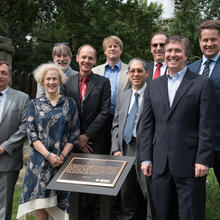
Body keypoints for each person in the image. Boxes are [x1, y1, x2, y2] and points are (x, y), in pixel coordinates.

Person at [139, 35, 216, 220]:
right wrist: (146, 158)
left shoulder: (202, 83)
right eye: (169, 51)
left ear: (186, 55)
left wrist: (203, 160)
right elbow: (147, 125)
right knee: (161, 214)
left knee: (190, 214)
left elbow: (207, 125)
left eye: (177, 51)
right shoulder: (153, 85)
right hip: (159, 164)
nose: (172, 55)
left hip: (190, 164)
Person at [17, 63, 80, 220]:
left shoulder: (70, 103)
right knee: (41, 206)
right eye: (48, 79)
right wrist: (48, 155)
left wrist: (62, 156)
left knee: (60, 206)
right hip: (40, 162)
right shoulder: (34, 104)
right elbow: (31, 134)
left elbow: (75, 132)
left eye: (55, 79)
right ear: (42, 81)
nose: (51, 82)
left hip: (63, 162)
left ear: (60, 81)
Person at [60, 44, 111, 220]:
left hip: (95, 141)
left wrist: (86, 136)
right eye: (84, 57)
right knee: (73, 183)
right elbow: (64, 111)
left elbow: (105, 111)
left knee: (92, 186)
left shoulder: (103, 82)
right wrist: (76, 138)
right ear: (77, 58)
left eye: (90, 58)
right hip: (72, 142)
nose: (86, 61)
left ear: (95, 61)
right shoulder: (66, 82)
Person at [112, 57, 152, 220]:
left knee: (149, 192)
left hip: (146, 150)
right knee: (126, 193)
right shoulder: (123, 96)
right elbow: (115, 125)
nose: (136, 74)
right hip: (125, 149)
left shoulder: (154, 94)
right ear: (128, 74)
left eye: (140, 71)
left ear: (147, 73)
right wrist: (115, 148)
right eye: (132, 71)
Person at [189, 19, 220, 185]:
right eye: (205, 40)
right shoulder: (191, 69)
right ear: (199, 41)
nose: (209, 43)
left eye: (213, 39)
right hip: (194, 144)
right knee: (194, 190)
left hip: (219, 140)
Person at [0, 61, 29, 220]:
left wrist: (4, 147)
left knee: (4, 205)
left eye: (4, 72)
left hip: (8, 158)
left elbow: (25, 127)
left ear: (10, 77)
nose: (0, 76)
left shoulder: (22, 98)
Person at [92, 35, 130, 154]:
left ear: (121, 50)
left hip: (121, 119)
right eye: (109, 46)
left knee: (119, 153)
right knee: (100, 154)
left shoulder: (130, 70)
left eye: (116, 46)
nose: (112, 48)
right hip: (100, 119)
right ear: (105, 51)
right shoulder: (95, 71)